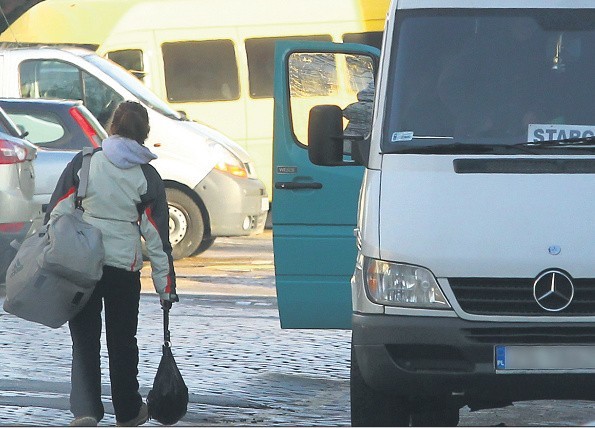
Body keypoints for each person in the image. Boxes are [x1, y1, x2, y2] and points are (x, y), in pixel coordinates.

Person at [45, 101, 178, 427]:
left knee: (84, 341)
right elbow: (158, 240)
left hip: (81, 266)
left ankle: (86, 411)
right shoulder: (147, 176)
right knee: (122, 342)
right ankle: (129, 411)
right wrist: (166, 288)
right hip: (123, 269)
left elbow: (57, 213)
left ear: (112, 126)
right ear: (144, 133)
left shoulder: (85, 163)